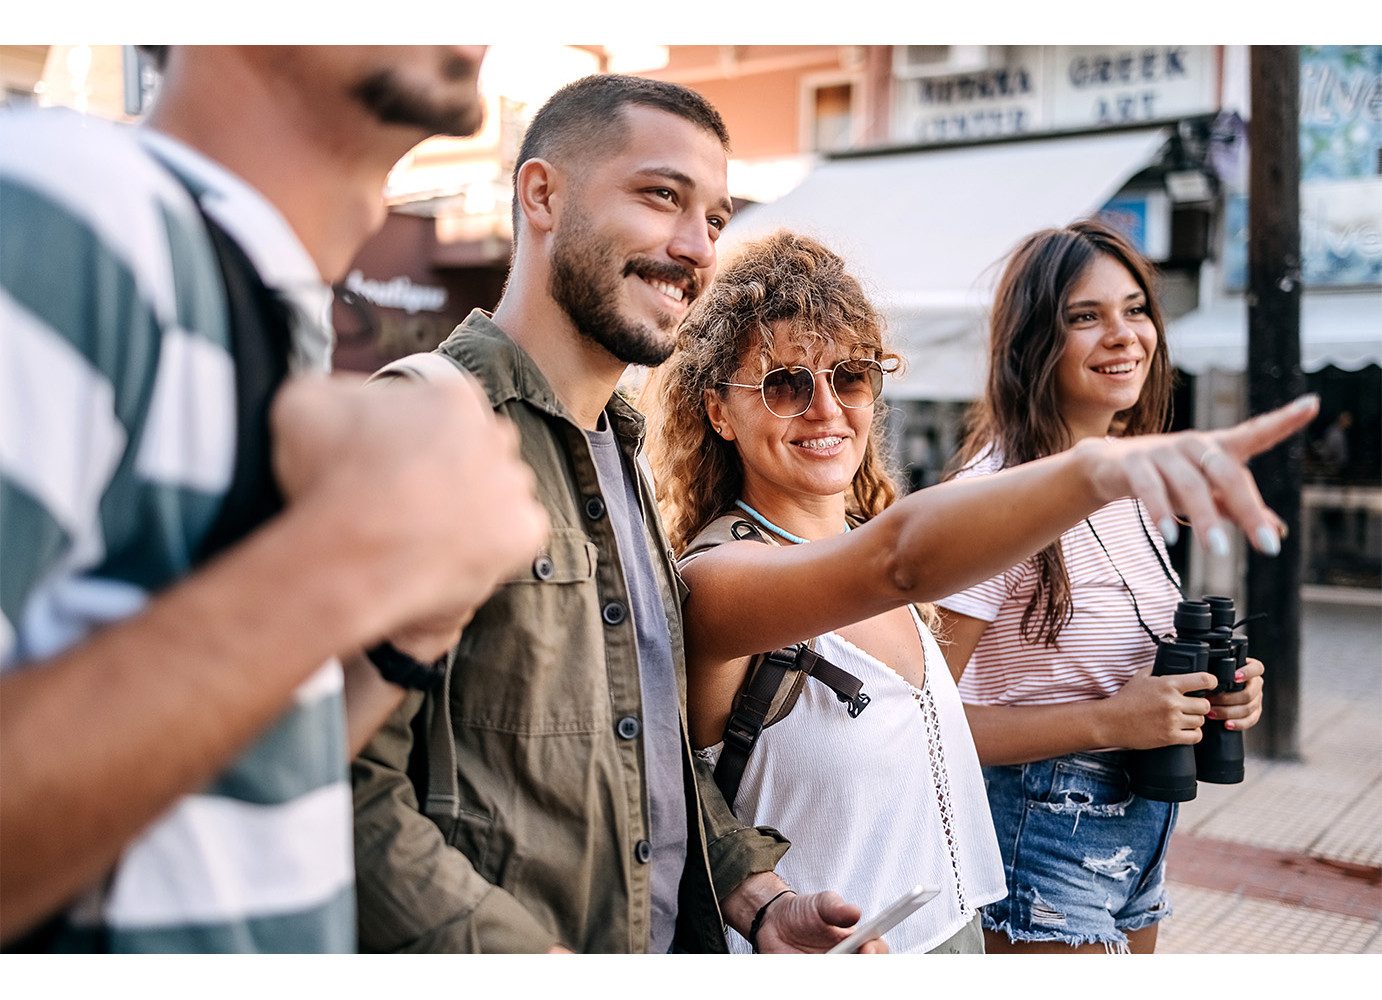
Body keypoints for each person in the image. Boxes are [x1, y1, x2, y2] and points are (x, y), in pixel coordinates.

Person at [0, 45, 547, 952]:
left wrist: (404, 636)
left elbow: (202, 798)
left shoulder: (249, 291)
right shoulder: (68, 205)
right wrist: (348, 556)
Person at [642, 229, 1316, 954]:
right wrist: (1101, 466)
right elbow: (898, 560)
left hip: (958, 934)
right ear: (718, 410)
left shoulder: (867, 537)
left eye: (851, 376)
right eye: (785, 384)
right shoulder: (719, 579)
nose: (827, 409)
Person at [350, 74, 887, 955]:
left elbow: (646, 753)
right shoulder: (424, 425)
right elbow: (345, 788)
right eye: (661, 196)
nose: (696, 248)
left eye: (714, 218)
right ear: (542, 195)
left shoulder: (620, 457)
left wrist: (756, 898)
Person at [934, 219, 1273, 954]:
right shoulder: (994, 497)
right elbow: (923, 725)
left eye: (1136, 309)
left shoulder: (1134, 485)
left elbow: (1126, 672)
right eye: (1085, 316)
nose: (1124, 335)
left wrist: (1220, 692)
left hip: (1142, 829)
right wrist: (1109, 723)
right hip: (1040, 836)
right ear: (1032, 345)